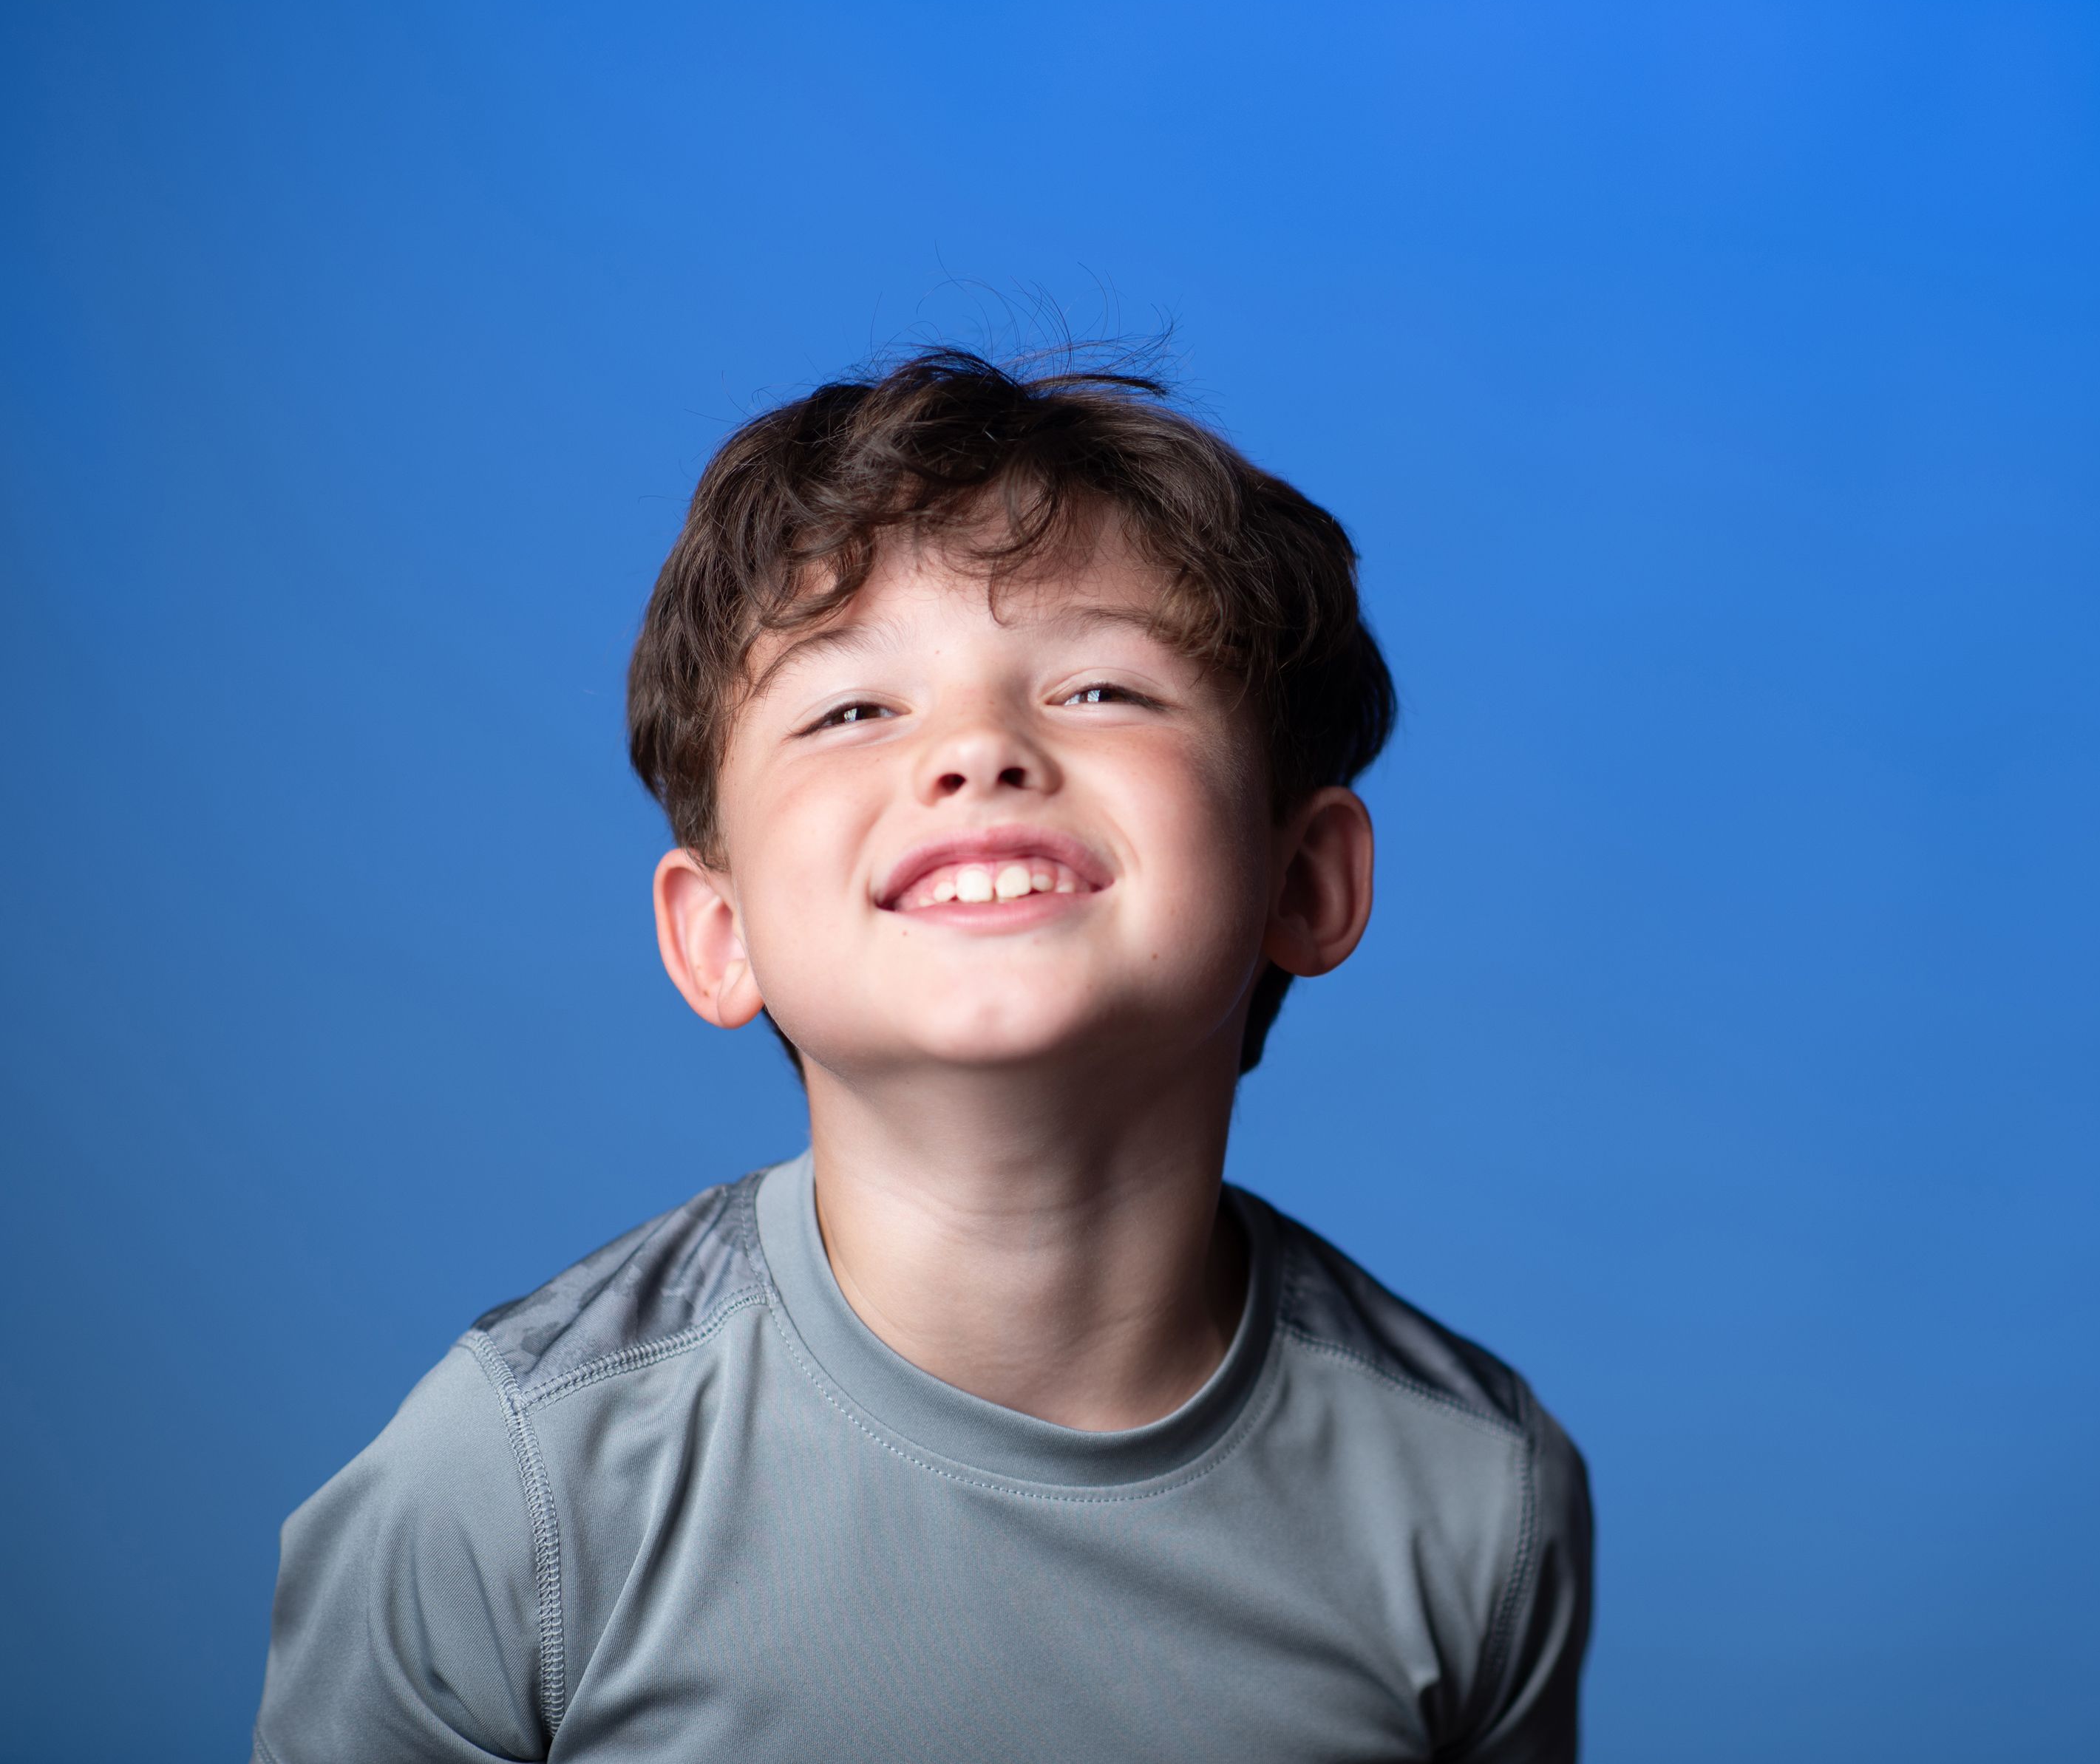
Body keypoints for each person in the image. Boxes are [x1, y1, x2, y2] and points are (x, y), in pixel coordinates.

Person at [252, 348, 1592, 1761]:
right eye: (852, 709)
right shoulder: (513, 1486)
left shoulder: (1476, 1498)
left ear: (1305, 879)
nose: (976, 750)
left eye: (1098, 689)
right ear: (719, 935)